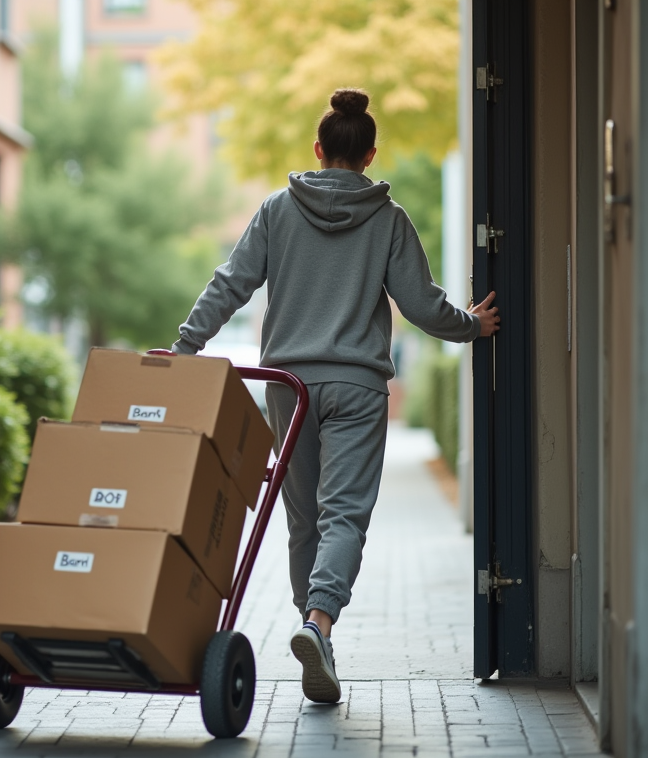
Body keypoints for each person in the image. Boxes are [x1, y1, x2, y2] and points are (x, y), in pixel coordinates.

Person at [171, 88, 500, 703]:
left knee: (303, 522)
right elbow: (422, 305)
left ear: (318, 150)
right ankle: (318, 625)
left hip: (288, 388)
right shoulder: (390, 219)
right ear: (370, 155)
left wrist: (185, 347)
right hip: (357, 385)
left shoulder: (276, 210)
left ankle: (311, 629)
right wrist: (470, 326)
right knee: (343, 515)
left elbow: (231, 283)